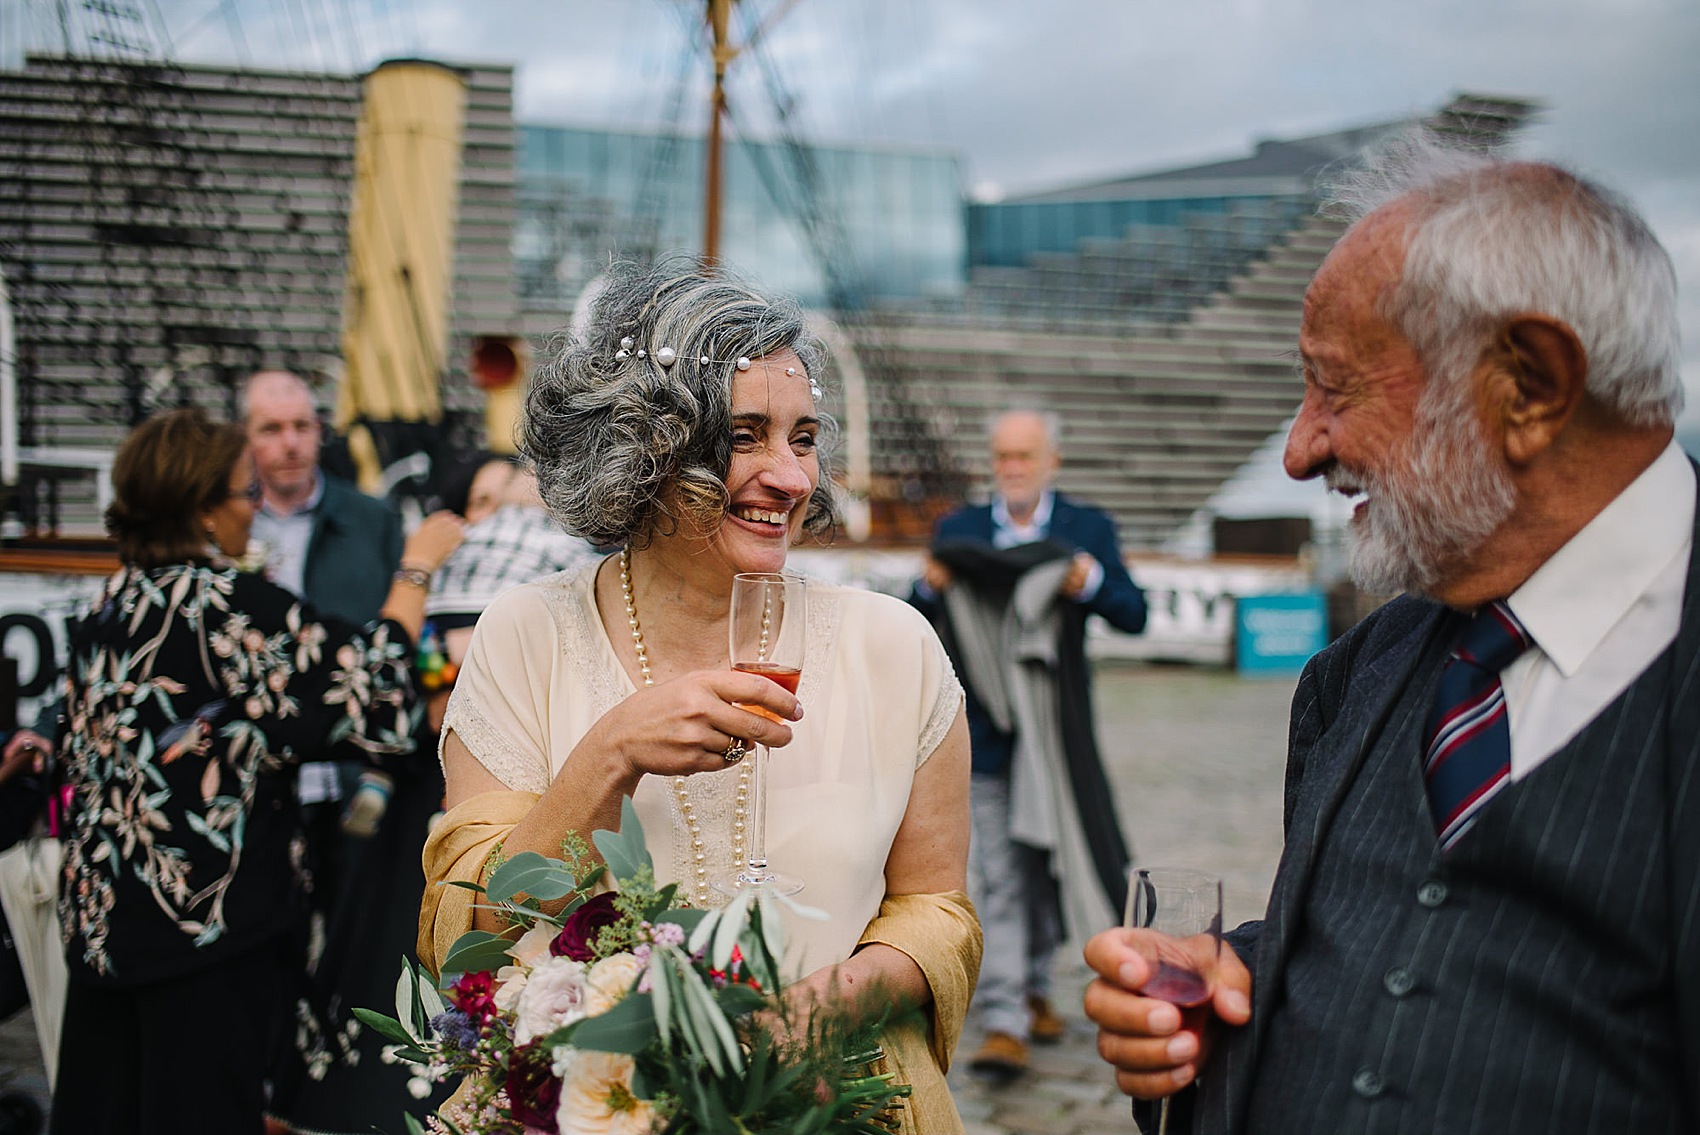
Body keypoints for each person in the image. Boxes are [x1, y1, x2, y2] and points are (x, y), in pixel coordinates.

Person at [1084, 136, 1698, 1134]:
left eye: (1333, 387)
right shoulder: (1354, 672)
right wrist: (1225, 996)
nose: (1297, 450)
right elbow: (1385, 962)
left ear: (1531, 384)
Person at [420, 260, 982, 1135]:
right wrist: (609, 753)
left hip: (832, 1105)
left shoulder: (894, 646)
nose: (791, 479)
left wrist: (829, 1005)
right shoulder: (526, 635)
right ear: (640, 445)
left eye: (801, 438)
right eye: (745, 436)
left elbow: (937, 914)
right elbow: (474, 937)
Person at [49, 408, 462, 1135]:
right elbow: (372, 693)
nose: (253, 514)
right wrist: (417, 567)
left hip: (103, 925)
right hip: (203, 931)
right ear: (206, 508)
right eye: (245, 496)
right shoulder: (230, 610)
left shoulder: (105, 606)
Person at [910, 408, 1146, 1081]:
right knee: (1003, 874)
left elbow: (1133, 612)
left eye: (1024, 456)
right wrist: (930, 585)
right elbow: (915, 615)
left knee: (1047, 861)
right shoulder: (958, 531)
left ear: (1051, 462)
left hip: (1059, 737)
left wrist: (1090, 582)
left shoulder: (1086, 530)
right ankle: (1006, 1016)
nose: (1012, 467)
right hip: (983, 734)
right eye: (1003, 456)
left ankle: (1038, 983)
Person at [244, 369, 404, 906]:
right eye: (270, 429)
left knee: (353, 926)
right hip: (256, 771)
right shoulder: (228, 521)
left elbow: (400, 627)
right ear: (245, 437)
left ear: (319, 431)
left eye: (301, 426)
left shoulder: (370, 520)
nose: (289, 443)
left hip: (353, 769)